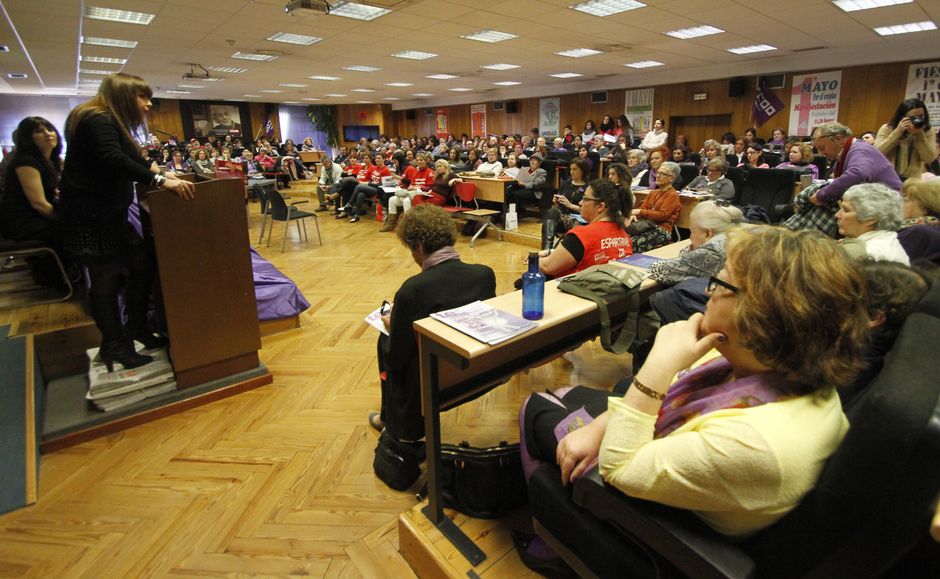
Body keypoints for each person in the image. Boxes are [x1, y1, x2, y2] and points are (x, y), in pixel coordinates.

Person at [517, 226, 868, 574]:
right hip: (678, 458)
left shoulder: (761, 445)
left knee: (535, 406)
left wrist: (660, 360)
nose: (708, 292)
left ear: (759, 315)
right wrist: (598, 428)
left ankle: (554, 541)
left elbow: (620, 468)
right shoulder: (770, 361)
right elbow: (672, 391)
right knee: (567, 396)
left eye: (721, 283)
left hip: (662, 518)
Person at [58, 73, 195, 371]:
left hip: (107, 214)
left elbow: (128, 157)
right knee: (106, 279)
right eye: (142, 97)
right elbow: (111, 158)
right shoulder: (98, 119)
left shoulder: (108, 120)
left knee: (141, 265)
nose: (148, 104)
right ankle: (114, 345)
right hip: (90, 217)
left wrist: (161, 172)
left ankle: (136, 330)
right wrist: (158, 179)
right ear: (123, 97)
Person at [370, 205, 496, 489]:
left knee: (385, 343)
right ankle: (389, 417)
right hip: (479, 370)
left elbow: (398, 357)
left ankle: (395, 424)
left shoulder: (413, 289)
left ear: (419, 245)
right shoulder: (483, 274)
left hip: (433, 383)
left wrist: (394, 325)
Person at [785, 122, 902, 237]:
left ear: (837, 138)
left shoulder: (859, 150)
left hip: (886, 209)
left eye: (822, 147)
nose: (822, 153)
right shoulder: (850, 151)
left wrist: (822, 194)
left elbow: (858, 173)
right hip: (875, 205)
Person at [536, 179, 633, 278]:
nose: (580, 202)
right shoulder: (624, 235)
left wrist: (533, 259)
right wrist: (549, 252)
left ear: (600, 206)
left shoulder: (582, 235)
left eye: (585, 199)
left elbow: (547, 267)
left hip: (573, 290)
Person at [647, 200, 744, 287]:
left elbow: (657, 269)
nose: (690, 237)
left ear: (708, 232)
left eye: (692, 231)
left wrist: (689, 251)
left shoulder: (711, 251)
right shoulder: (739, 238)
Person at [0, 117, 61, 246]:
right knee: (74, 231)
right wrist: (63, 219)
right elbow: (38, 204)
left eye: (50, 129)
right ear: (28, 138)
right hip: (24, 222)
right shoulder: (25, 162)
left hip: (38, 218)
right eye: (39, 131)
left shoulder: (53, 161)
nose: (47, 134)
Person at [836, 183, 909, 265]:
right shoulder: (887, 240)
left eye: (846, 210)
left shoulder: (867, 253)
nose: (837, 215)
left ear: (870, 219)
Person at [875, 98, 937, 181]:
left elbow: (929, 158)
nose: (918, 120)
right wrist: (897, 132)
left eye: (921, 116)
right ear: (902, 117)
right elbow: (877, 152)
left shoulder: (927, 131)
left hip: (912, 180)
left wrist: (919, 135)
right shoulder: (887, 128)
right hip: (887, 177)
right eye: (913, 117)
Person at [629, 161, 681, 252]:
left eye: (662, 174)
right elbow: (643, 208)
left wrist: (639, 212)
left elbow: (662, 215)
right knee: (622, 240)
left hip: (661, 231)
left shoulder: (672, 195)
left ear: (671, 178)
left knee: (630, 244)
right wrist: (635, 215)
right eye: (658, 173)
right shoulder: (653, 192)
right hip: (645, 226)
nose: (658, 175)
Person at [542, 158, 591, 249]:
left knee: (552, 217)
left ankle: (547, 250)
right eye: (571, 169)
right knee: (551, 213)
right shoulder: (566, 184)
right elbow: (558, 206)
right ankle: (547, 247)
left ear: (582, 171)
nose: (571, 172)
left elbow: (589, 211)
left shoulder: (589, 187)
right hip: (563, 217)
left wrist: (570, 205)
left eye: (575, 169)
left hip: (579, 219)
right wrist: (555, 201)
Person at [384, 152, 434, 232]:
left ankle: (408, 227)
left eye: (421, 160)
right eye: (418, 160)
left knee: (407, 200)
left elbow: (429, 187)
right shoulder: (416, 172)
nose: (419, 161)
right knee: (392, 200)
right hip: (412, 192)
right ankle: (391, 224)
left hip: (423, 193)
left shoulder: (430, 172)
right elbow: (411, 184)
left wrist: (416, 187)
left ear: (426, 161)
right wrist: (411, 186)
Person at [898, 178, 940, 264]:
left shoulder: (918, 232)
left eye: (905, 200)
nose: (899, 203)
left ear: (924, 208)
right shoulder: (933, 226)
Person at [503, 153, 547, 221]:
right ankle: (505, 212)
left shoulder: (542, 172)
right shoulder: (525, 169)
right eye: (531, 160)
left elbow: (536, 184)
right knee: (507, 191)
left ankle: (515, 214)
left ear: (539, 162)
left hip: (534, 191)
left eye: (535, 160)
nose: (532, 162)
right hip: (521, 187)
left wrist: (524, 184)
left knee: (515, 194)